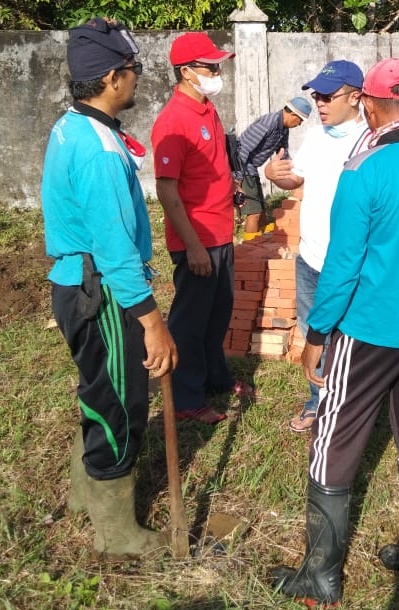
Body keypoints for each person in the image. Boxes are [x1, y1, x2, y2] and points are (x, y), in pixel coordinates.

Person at [269, 56, 399, 607]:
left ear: (374, 107)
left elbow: (342, 264)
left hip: (368, 329)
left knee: (334, 434)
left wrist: (317, 334)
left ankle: (321, 574)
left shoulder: (366, 171)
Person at [41, 17, 177, 559]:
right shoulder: (98, 149)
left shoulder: (69, 126)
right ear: (113, 77)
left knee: (98, 387)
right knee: (121, 401)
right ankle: (115, 533)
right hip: (103, 293)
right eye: (134, 71)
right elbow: (116, 250)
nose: (137, 80)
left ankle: (84, 496)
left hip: (74, 285)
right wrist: (153, 323)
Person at [264, 60, 371, 433]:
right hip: (311, 258)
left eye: (327, 96)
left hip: (353, 264)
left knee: (354, 337)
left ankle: (354, 408)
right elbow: (297, 178)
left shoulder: (372, 140)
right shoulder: (318, 135)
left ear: (356, 96)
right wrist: (276, 176)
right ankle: (318, 403)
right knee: (314, 332)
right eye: (316, 96)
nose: (319, 104)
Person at [151, 32, 250, 425]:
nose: (216, 71)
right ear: (186, 72)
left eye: (217, 64)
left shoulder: (207, 109)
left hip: (220, 232)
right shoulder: (173, 122)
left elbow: (213, 165)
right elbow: (166, 188)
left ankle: (215, 377)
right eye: (209, 66)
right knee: (190, 321)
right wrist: (192, 247)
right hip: (196, 239)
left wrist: (233, 189)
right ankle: (186, 398)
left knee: (217, 312)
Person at [234, 96, 312, 234]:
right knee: (254, 213)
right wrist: (237, 179)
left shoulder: (283, 129)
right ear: (293, 114)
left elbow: (284, 155)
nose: (299, 124)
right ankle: (248, 251)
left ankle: (261, 246)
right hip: (243, 167)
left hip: (251, 169)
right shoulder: (268, 123)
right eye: (300, 120)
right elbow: (242, 150)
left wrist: (296, 178)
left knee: (263, 213)